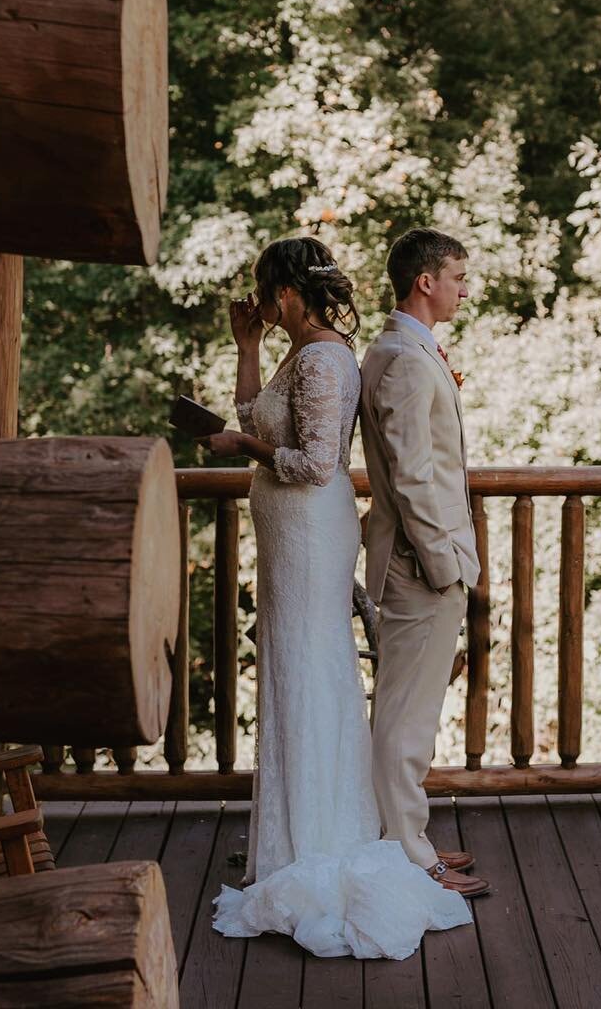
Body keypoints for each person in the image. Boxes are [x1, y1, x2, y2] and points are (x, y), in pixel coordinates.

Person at [207, 234, 472, 960]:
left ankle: (324, 839)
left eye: (264, 294)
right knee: (292, 674)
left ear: (288, 294)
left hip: (311, 536)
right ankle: (293, 837)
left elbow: (316, 463)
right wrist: (247, 347)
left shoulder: (326, 358)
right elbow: (261, 413)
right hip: (288, 540)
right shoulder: (298, 354)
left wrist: (243, 449)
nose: (259, 304)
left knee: (311, 669)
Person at [358, 229, 490, 898]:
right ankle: (409, 858)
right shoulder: (404, 359)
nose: (465, 289)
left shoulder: (399, 349)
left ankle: (407, 834)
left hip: (419, 558)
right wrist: (444, 562)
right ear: (424, 282)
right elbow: (411, 476)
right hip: (420, 563)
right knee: (406, 717)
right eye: (458, 277)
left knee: (409, 710)